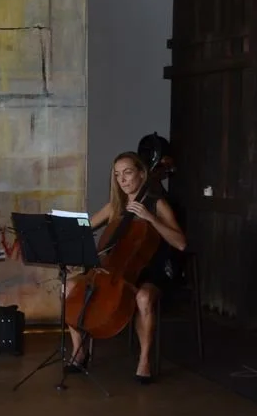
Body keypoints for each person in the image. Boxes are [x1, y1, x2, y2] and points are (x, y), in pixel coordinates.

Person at [65, 151, 187, 383]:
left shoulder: (157, 204)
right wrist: (64, 229)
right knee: (68, 287)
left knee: (143, 297)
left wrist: (151, 218)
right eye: (118, 175)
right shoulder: (115, 206)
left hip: (150, 269)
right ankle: (79, 350)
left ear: (142, 174)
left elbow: (180, 243)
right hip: (114, 270)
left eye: (128, 172)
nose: (123, 179)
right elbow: (85, 228)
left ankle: (144, 361)